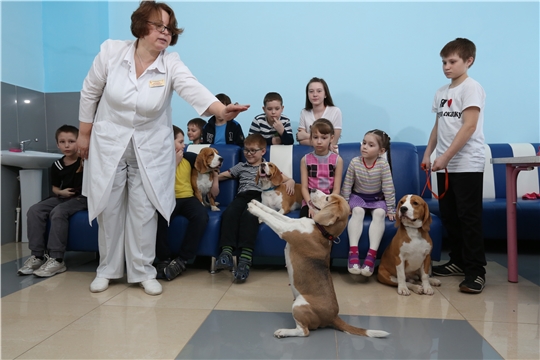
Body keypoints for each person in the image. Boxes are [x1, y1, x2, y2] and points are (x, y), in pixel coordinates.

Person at [77, 1, 249, 296]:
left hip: (150, 149)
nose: (165, 32)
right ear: (142, 27)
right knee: (110, 209)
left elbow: (190, 86)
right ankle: (106, 269)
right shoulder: (111, 52)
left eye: (169, 28)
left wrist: (220, 110)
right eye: (159, 26)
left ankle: (143, 271)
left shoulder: (170, 62)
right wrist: (84, 134)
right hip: (110, 144)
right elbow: (90, 90)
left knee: (144, 211)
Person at [421, 38, 487, 294]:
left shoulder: (472, 88)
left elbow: (469, 126)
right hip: (444, 164)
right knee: (450, 215)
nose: (446, 67)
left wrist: (446, 157)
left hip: (467, 163)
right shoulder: (441, 92)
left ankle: (476, 272)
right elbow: (439, 126)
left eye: (452, 62)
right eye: (444, 62)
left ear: (468, 61)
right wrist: (428, 153)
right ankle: (458, 261)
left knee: (469, 218)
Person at [215, 134, 295, 283]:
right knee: (230, 213)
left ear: (263, 151)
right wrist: (212, 175)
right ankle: (226, 252)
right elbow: (223, 175)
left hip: (260, 196)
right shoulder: (241, 166)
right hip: (242, 195)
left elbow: (283, 178)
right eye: (246, 150)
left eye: (253, 150)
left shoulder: (268, 166)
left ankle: (245, 257)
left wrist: (291, 181)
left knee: (250, 216)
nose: (249, 153)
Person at [18, 125, 88, 278]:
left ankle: (57, 258)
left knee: (59, 212)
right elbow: (55, 189)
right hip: (63, 196)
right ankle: (38, 255)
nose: (67, 145)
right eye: (62, 142)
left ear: (79, 142)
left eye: (71, 141)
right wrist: (61, 192)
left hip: (83, 198)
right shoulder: (57, 165)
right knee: (34, 210)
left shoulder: (85, 161)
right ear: (57, 145)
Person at [154, 126, 218, 280]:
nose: (184, 145)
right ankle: (163, 259)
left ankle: (182, 260)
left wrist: (215, 179)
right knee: (159, 218)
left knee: (201, 217)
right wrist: (174, 163)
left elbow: (208, 163)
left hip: (189, 198)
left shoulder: (189, 157)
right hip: (168, 198)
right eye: (180, 142)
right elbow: (159, 180)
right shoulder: (158, 159)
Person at [341, 129, 396, 276]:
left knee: (379, 213)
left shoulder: (383, 165)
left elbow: (388, 188)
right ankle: (353, 253)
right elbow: (347, 185)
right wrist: (346, 204)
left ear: (381, 150)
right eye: (364, 143)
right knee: (358, 211)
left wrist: (391, 209)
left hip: (377, 199)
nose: (365, 147)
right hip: (358, 197)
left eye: (371, 145)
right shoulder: (355, 162)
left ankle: (371, 255)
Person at [299, 118, 344, 219]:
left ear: (331, 138)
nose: (319, 141)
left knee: (329, 222)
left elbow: (336, 189)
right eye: (315, 137)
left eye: (323, 138)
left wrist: (326, 204)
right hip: (311, 201)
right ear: (311, 138)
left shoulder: (337, 160)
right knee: (306, 222)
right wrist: (310, 205)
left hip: (329, 200)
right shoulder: (305, 160)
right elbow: (304, 188)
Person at [296, 77, 342, 152]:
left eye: (319, 91)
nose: (315, 94)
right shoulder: (304, 112)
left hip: (330, 154)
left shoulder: (335, 111)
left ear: (325, 94)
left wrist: (306, 136)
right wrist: (324, 139)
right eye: (311, 91)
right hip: (310, 153)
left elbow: (333, 142)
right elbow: (301, 141)